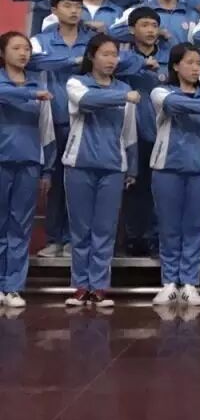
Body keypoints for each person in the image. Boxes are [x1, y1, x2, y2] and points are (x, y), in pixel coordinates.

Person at [149, 43, 200, 306]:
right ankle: (169, 282)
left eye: (198, 63)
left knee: (195, 227)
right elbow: (174, 105)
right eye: (189, 63)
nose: (195, 68)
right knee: (169, 226)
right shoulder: (162, 92)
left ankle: (190, 282)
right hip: (167, 167)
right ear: (175, 66)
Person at [63, 34, 140, 309]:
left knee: (104, 229)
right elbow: (86, 101)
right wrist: (123, 97)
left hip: (112, 166)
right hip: (79, 164)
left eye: (114, 55)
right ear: (91, 56)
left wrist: (132, 167)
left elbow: (129, 133)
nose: (111, 60)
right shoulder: (77, 83)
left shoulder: (125, 88)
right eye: (105, 54)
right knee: (80, 229)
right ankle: (80, 286)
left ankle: (98, 286)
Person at [28, 0, 95, 258]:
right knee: (54, 182)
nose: (74, 11)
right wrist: (72, 60)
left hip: (86, 122)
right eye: (67, 5)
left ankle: (74, 240)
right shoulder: (39, 40)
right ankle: (55, 238)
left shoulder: (92, 41)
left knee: (80, 185)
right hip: (54, 119)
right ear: (54, 10)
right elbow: (33, 62)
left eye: (78, 6)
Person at [0, 31, 56, 308]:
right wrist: (32, 93)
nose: (23, 53)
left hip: (29, 162)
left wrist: (47, 169)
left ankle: (13, 287)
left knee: (20, 227)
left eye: (26, 49)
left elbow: (47, 130)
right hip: (2, 161)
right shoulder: (27, 89)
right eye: (16, 48)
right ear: (2, 53)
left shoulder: (37, 84)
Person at [114, 7, 167, 256]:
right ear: (131, 30)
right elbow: (113, 67)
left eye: (154, 25)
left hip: (162, 132)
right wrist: (142, 64)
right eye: (144, 25)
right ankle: (132, 238)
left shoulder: (168, 56)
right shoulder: (122, 58)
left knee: (158, 190)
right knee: (133, 187)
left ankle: (154, 238)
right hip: (132, 134)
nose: (150, 30)